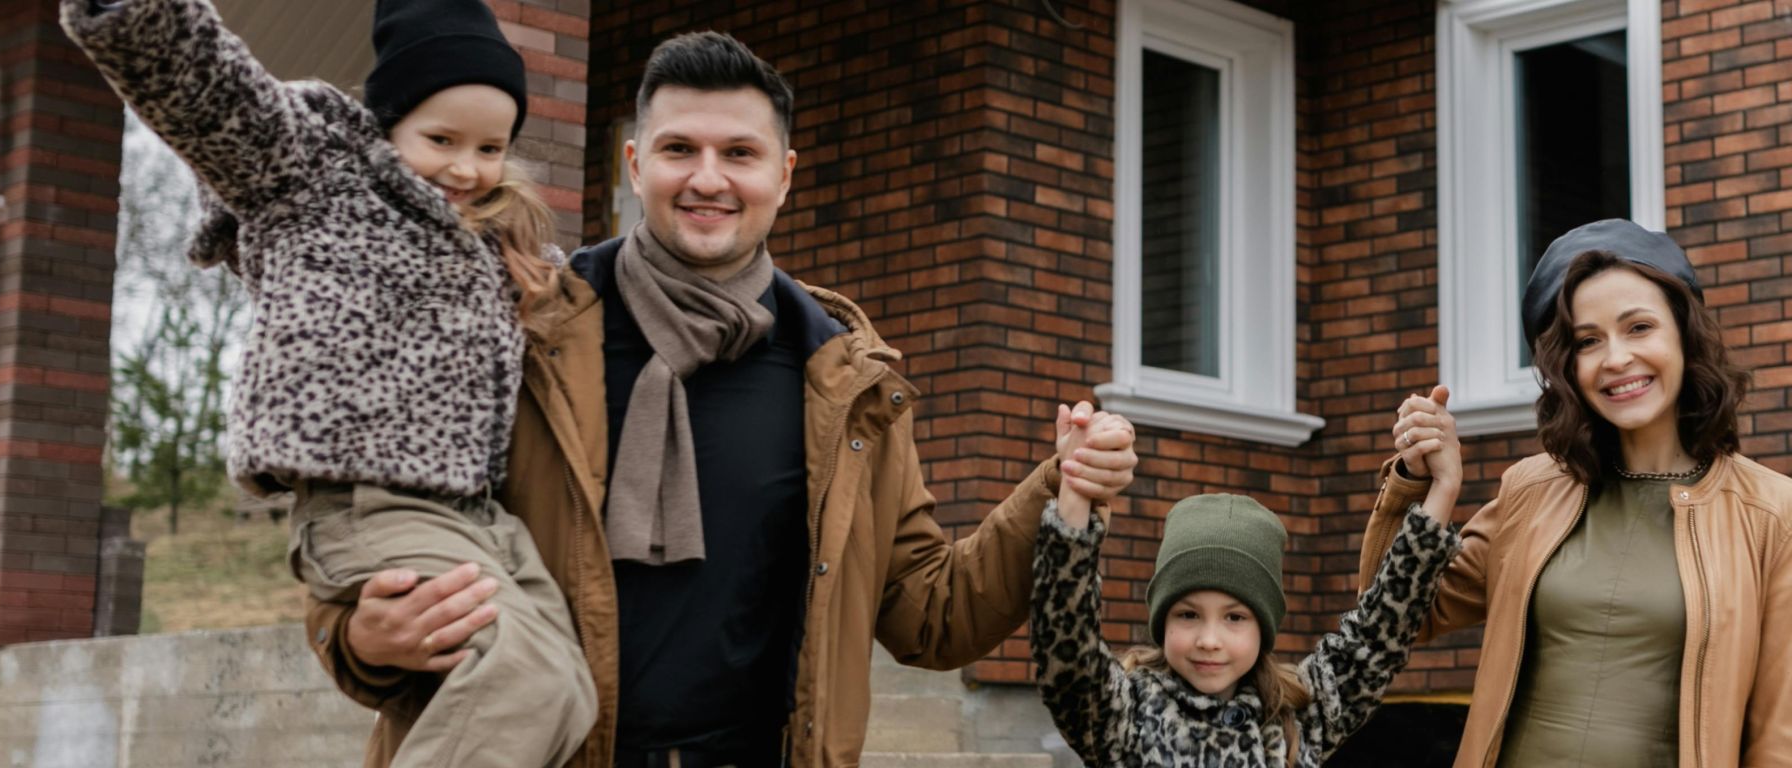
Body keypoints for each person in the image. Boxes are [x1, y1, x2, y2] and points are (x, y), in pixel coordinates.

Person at [304, 30, 1142, 768]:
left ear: (783, 175)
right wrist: (363, 640)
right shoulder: (515, 327)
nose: (708, 179)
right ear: (635, 165)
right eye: (679, 150)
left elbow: (931, 617)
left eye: (739, 154)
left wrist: (1057, 491)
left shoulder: (847, 379)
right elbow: (370, 538)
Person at [60, 0, 596, 765]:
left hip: (474, 518)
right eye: (440, 140)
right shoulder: (317, 180)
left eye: (490, 147)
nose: (467, 169)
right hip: (370, 506)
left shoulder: (488, 248)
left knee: (567, 691)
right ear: (386, 126)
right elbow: (208, 88)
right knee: (527, 678)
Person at [1362, 218, 1792, 767]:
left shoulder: (1772, 514)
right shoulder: (1531, 490)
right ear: (1568, 368)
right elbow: (1393, 622)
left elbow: (1778, 739)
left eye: (1639, 328)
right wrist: (1428, 486)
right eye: (1588, 341)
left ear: (1684, 336)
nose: (1616, 359)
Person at [1031, 400, 1463, 766]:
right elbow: (1065, 647)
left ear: (1264, 627)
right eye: (1188, 614)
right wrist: (1076, 490)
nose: (1209, 639)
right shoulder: (1124, 714)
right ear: (1161, 620)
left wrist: (1442, 487)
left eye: (1235, 616)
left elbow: (1379, 635)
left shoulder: (1297, 718)